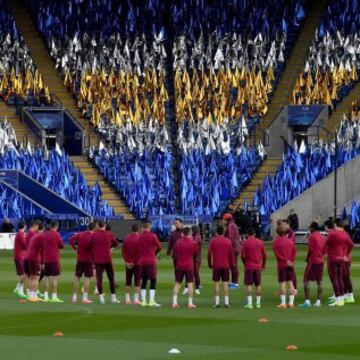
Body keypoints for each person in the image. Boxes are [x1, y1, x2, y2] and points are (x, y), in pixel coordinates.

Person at [299, 222, 327, 308]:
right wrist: (320, 254)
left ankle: (307, 302)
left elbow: (310, 249)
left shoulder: (312, 236)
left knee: (306, 280)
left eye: (310, 228)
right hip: (321, 261)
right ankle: (318, 302)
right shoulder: (322, 237)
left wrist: (307, 258)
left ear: (312, 228)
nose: (309, 229)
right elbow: (325, 249)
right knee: (319, 281)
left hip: (313, 261)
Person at [91, 220, 119, 304]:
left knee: (99, 279)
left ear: (98, 226)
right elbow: (116, 243)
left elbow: (90, 244)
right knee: (111, 279)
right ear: (105, 226)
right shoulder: (109, 234)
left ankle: (101, 298)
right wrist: (110, 246)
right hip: (107, 259)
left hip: (98, 259)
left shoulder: (94, 234)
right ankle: (113, 298)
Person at [327, 219, 354, 307]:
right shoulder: (345, 234)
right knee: (340, 278)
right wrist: (345, 254)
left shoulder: (333, 234)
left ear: (335, 225)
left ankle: (338, 299)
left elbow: (326, 243)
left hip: (333, 258)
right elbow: (351, 244)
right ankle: (342, 299)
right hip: (341, 259)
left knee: (335, 279)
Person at [207, 225, 235, 308]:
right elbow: (231, 254)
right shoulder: (228, 241)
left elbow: (209, 254)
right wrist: (232, 264)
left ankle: (217, 302)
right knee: (226, 283)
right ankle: (226, 302)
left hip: (216, 265)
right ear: (223, 232)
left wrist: (209, 264)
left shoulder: (213, 241)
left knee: (216, 284)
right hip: (225, 265)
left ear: (216, 233)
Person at [69, 222, 97, 304]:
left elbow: (71, 240)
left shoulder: (81, 234)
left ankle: (74, 297)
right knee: (87, 279)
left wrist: (75, 248)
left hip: (80, 259)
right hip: (88, 260)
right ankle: (84, 298)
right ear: (94, 228)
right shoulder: (93, 236)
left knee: (77, 278)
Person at [240, 228, 267, 309]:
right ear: (255, 234)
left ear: (248, 234)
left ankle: (250, 303)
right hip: (257, 266)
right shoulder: (260, 242)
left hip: (249, 266)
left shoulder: (245, 243)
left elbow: (242, 255)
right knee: (258, 285)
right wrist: (263, 265)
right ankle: (258, 303)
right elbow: (264, 255)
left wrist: (245, 263)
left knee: (249, 285)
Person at [172, 227, 198, 309]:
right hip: (189, 265)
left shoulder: (178, 242)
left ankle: (174, 302)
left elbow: (175, 254)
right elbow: (195, 254)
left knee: (177, 283)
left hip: (179, 265)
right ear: (189, 234)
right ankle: (190, 303)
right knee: (190, 284)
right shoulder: (193, 243)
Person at [138, 221, 162, 307]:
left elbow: (137, 248)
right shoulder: (152, 236)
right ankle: (151, 301)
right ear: (149, 227)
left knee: (143, 280)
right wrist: (154, 253)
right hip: (150, 261)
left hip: (141, 261)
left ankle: (144, 301)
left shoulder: (139, 237)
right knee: (153, 280)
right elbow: (159, 246)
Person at [273, 226, 297, 308]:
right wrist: (291, 261)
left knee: (282, 283)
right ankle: (291, 303)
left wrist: (285, 260)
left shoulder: (276, 242)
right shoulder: (290, 241)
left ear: (277, 233)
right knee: (290, 282)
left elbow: (277, 254)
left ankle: (283, 303)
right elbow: (294, 252)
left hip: (282, 265)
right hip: (290, 265)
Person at [42, 221, 64, 303]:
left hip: (46, 259)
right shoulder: (56, 234)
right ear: (56, 226)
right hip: (54, 259)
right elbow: (61, 245)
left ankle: (45, 296)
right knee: (55, 278)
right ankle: (54, 296)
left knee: (47, 278)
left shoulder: (45, 234)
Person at [24, 222, 45, 302]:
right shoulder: (41, 236)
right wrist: (43, 262)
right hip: (35, 258)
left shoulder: (34, 235)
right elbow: (43, 250)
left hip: (29, 257)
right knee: (36, 277)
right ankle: (34, 296)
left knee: (31, 277)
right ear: (43, 228)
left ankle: (29, 295)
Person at [122, 224, 141, 305]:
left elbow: (123, 252)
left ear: (131, 229)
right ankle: (136, 300)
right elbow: (140, 252)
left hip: (128, 263)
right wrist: (134, 262)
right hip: (137, 263)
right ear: (138, 229)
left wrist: (127, 261)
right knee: (137, 281)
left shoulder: (126, 238)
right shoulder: (140, 238)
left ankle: (127, 299)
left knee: (128, 281)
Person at [223, 213, 241, 289]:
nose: (222, 221)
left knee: (233, 266)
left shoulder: (230, 226)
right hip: (234, 248)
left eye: (223, 219)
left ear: (227, 219)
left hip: (233, 248)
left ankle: (235, 283)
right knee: (233, 265)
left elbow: (230, 239)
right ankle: (234, 282)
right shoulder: (232, 225)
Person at [13, 221, 27, 299]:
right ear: (24, 226)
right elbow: (25, 245)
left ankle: (17, 288)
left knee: (23, 274)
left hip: (20, 256)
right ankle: (20, 290)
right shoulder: (20, 234)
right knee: (23, 274)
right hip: (19, 256)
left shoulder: (19, 234)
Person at [192, 225, 202, 295]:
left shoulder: (198, 237)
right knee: (191, 273)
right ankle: (189, 287)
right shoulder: (192, 236)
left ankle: (197, 287)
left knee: (196, 273)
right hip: (192, 257)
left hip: (196, 258)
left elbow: (198, 248)